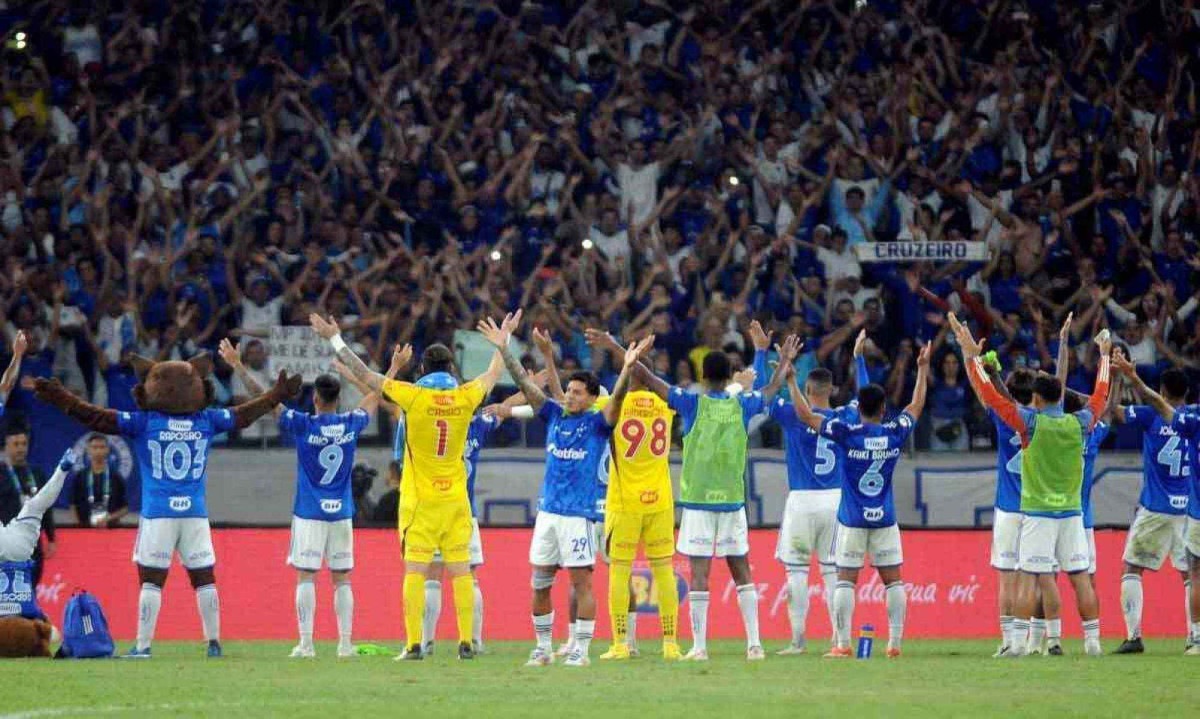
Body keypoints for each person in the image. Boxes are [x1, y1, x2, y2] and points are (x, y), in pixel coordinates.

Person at [309, 313, 506, 662]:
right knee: (461, 571)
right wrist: (501, 344)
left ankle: (415, 643)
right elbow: (493, 375)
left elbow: (369, 377)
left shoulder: (413, 396)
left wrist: (336, 338)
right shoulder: (465, 396)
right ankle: (465, 642)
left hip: (419, 502)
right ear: (451, 368)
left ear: (423, 370)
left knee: (416, 571)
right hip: (457, 500)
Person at [477, 310, 652, 667]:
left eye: (576, 393)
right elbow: (527, 388)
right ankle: (542, 648)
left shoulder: (598, 424)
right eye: (568, 392)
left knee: (581, 584)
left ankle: (581, 651)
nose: (568, 397)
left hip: (579, 517)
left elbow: (617, 399)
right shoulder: (555, 415)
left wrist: (626, 368)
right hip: (548, 514)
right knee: (539, 583)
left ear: (590, 398)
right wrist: (505, 350)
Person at [952, 313, 1110, 657]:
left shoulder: (1027, 423)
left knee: (1025, 575)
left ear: (1037, 400)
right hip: (1071, 511)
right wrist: (1106, 357)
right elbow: (1100, 396)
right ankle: (1091, 641)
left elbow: (993, 399)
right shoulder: (1078, 423)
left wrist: (971, 357)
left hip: (1034, 510)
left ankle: (1017, 643)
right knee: (1079, 576)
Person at [632, 336, 796, 662]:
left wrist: (625, 354)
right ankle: (754, 645)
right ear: (730, 375)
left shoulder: (692, 404)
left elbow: (650, 380)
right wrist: (784, 361)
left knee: (699, 575)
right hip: (732, 502)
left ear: (703, 377)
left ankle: (700, 647)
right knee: (742, 572)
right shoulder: (742, 404)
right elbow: (769, 390)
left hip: (698, 502)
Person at [793, 342, 931, 659]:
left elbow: (805, 414)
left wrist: (790, 380)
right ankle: (894, 644)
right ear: (883, 410)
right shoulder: (896, 432)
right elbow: (916, 405)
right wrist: (922, 369)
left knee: (845, 581)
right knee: (894, 582)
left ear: (859, 409)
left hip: (853, 519)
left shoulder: (847, 432)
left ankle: (842, 644)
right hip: (884, 518)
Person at [583, 329, 683, 661]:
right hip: (660, 501)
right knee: (664, 570)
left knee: (619, 572)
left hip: (624, 502)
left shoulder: (613, 404)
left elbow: (579, 403)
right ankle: (670, 643)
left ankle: (621, 644)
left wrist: (618, 351)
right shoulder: (666, 405)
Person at [769, 329, 868, 655]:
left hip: (801, 501)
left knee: (796, 571)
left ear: (808, 388)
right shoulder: (845, 415)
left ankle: (798, 641)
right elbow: (867, 395)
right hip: (836, 502)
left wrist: (784, 368)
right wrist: (858, 358)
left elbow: (761, 396)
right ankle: (840, 640)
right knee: (833, 574)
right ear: (832, 390)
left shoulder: (792, 413)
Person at [1108, 353, 1200, 655]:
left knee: (1132, 567)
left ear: (1161, 391)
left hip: (1155, 508)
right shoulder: (1195, 417)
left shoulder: (1150, 416)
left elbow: (1113, 412)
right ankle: (1193, 637)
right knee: (1190, 575)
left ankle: (1134, 636)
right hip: (1188, 509)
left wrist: (1118, 377)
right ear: (1186, 393)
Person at [0, 449, 73, 623]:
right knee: (39, 503)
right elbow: (45, 497)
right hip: (22, 537)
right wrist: (62, 471)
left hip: (19, 535)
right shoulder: (26, 525)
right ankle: (62, 469)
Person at [0, 425, 55, 587]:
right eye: (16, 444)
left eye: (24, 444)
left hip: (33, 545)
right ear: (6, 446)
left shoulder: (37, 473)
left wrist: (51, 537)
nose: (20, 448)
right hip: (6, 544)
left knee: (30, 591)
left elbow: (45, 506)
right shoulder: (1, 474)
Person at [69, 434, 129, 528]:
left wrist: (109, 518)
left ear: (108, 450)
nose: (98, 451)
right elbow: (73, 504)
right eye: (94, 447)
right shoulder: (80, 476)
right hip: (85, 530)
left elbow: (125, 508)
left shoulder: (115, 476)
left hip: (111, 529)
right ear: (88, 450)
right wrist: (78, 526)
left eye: (102, 447)